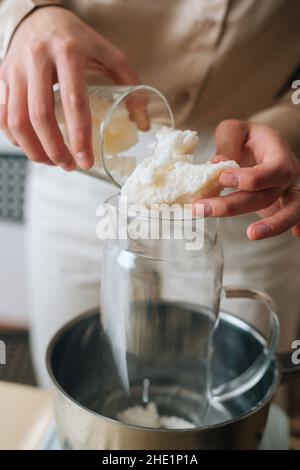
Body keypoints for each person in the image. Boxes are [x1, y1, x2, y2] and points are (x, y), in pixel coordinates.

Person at [0, 0, 299, 423]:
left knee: (235, 409)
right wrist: (23, 17)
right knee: (76, 403)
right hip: (80, 158)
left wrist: (290, 125)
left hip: (239, 188)